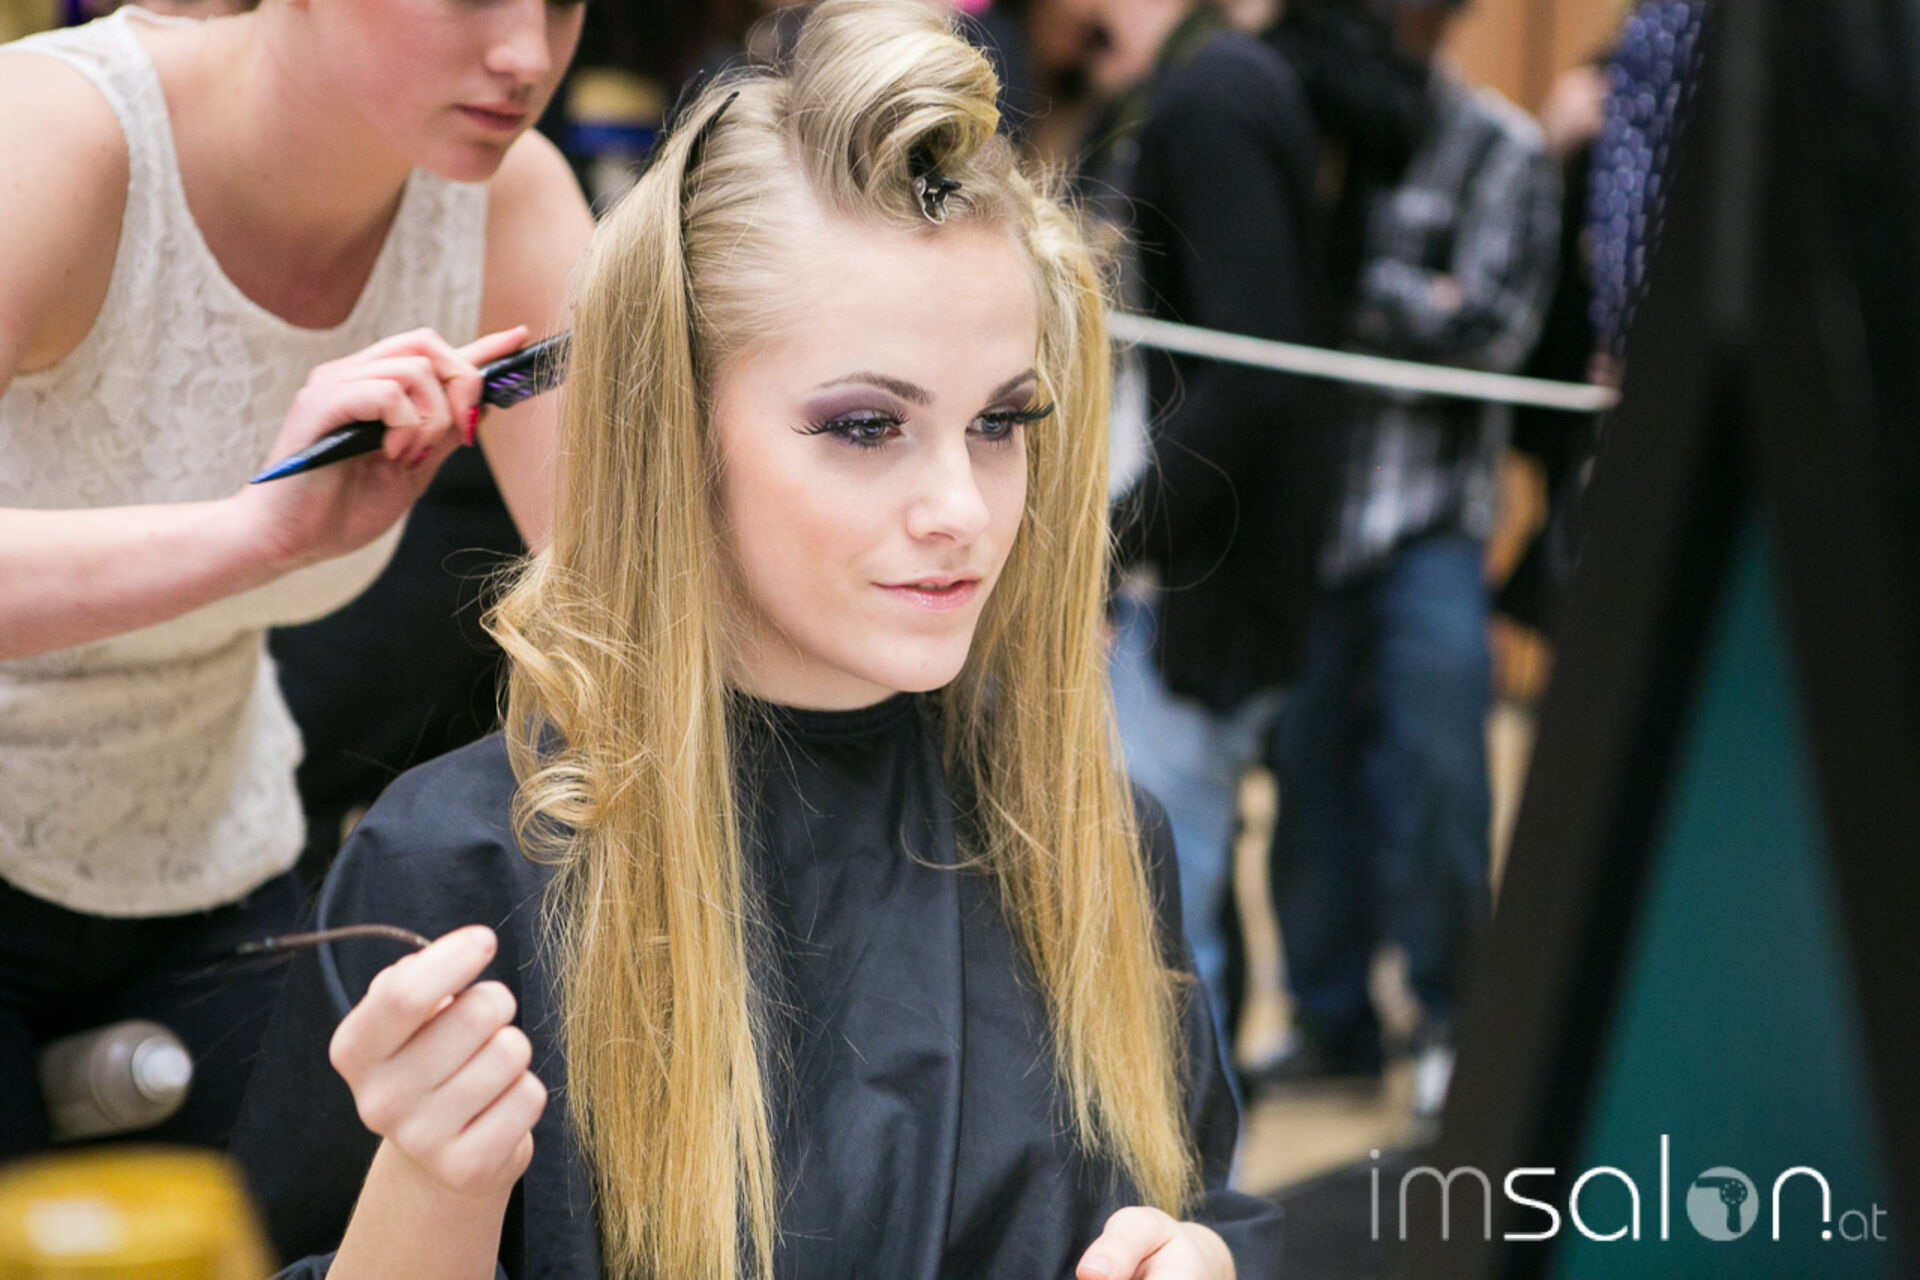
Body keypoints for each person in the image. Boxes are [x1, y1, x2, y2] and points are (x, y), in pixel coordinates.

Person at [228, 3, 1281, 1276]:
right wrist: (434, 1187)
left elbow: (1206, 1196)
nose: (962, 508)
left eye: (1001, 422)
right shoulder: (458, 879)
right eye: (865, 426)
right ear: (678, 426)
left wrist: (1202, 1260)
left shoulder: (1088, 837)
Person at [0, 0, 593, 1157]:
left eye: (564, 0)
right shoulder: (58, 135)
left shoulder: (507, 197)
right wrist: (252, 534)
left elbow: (620, 596)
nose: (527, 54)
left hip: (213, 858)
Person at [1253, 0, 1559, 1119]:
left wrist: (1342, 288)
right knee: (1303, 775)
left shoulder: (1505, 149)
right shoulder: (1312, 117)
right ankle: (1330, 1023)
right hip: (1316, 520)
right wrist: (1405, 298)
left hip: (1435, 520)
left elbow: (1492, 329)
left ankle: (1447, 1023)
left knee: (1442, 773)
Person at [1068, 0, 1333, 1070]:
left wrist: (1113, 535)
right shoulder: (1206, 86)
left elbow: (1253, 373)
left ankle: (1199, 1163)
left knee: (1164, 940)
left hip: (1197, 585)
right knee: (1175, 916)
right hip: (1197, 571)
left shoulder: (1212, 97)